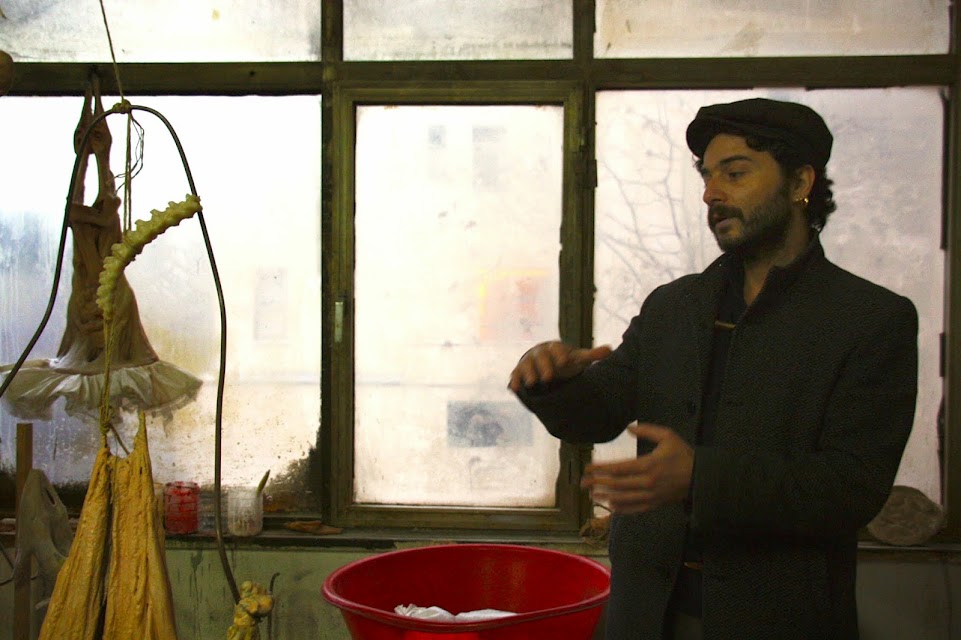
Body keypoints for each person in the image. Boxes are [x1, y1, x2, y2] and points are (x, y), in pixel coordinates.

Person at [508, 98, 918, 639]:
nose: (711, 193)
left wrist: (700, 478)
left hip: (779, 619)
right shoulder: (675, 306)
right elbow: (600, 412)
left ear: (800, 182)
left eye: (735, 173)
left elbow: (850, 489)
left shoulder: (870, 319)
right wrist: (551, 382)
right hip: (646, 613)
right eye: (706, 175)